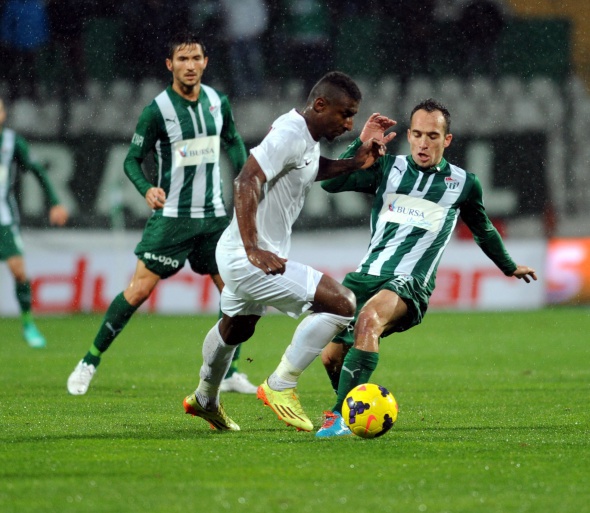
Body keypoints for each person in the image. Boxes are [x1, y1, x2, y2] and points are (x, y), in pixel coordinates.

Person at [311, 98, 538, 437]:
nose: (423, 143)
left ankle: (339, 416)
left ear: (447, 140)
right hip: (366, 276)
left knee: (368, 320)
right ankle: (354, 406)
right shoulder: (387, 168)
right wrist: (360, 144)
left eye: (432, 136)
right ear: (409, 135)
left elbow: (484, 230)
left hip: (410, 283)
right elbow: (330, 183)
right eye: (417, 134)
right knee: (331, 357)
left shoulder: (463, 183)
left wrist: (508, 266)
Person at [182, 71, 395, 431]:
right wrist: (253, 247)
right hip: (249, 256)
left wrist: (355, 161)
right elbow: (246, 179)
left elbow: (311, 167)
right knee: (343, 304)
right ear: (320, 104)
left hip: (239, 252)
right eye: (345, 114)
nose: (349, 124)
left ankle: (205, 397)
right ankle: (281, 384)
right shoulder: (290, 133)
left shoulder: (305, 137)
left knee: (237, 328)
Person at [66, 32, 256, 395]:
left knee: (235, 294)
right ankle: (89, 361)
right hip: (172, 219)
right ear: (170, 65)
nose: (190, 65)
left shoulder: (217, 101)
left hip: (214, 217)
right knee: (138, 291)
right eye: (182, 59)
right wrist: (146, 189)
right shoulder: (157, 110)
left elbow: (232, 139)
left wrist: (245, 177)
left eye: (196, 58)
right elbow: (131, 160)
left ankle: (228, 372)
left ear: (205, 62)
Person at [0, 98, 69, 347]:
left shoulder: (12, 142)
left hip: (4, 217)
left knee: (18, 271)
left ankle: (28, 324)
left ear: (4, 113)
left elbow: (38, 170)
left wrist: (55, 202)